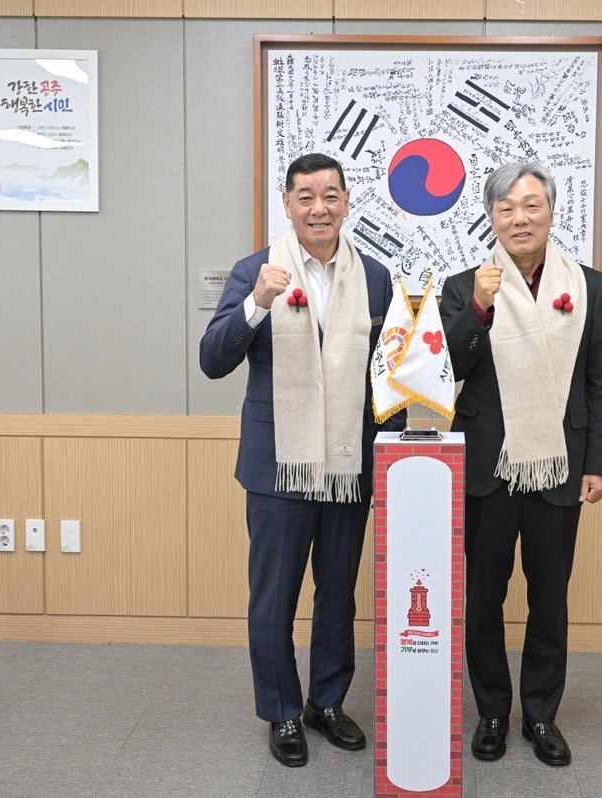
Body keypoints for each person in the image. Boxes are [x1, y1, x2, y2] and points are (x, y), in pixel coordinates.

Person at [200, 152, 403, 768]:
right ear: (287, 205)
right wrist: (256, 303)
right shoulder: (255, 270)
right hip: (278, 466)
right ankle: (282, 711)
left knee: (338, 596)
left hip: (347, 464)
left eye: (330, 196)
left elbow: (388, 373)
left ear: (347, 203)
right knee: (275, 599)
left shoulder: (375, 277)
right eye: (306, 197)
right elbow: (213, 360)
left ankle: (327, 703)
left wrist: (395, 454)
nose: (319, 208)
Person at [440, 162, 602, 766]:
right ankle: (492, 711)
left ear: (551, 212)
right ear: (492, 218)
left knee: (550, 599)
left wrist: (600, 462)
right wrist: (479, 308)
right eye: (507, 208)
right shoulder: (465, 286)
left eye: (531, 206)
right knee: (483, 600)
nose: (520, 218)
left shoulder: (589, 286)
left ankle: (541, 715)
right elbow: (448, 370)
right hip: (487, 468)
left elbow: (601, 380)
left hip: (560, 465)